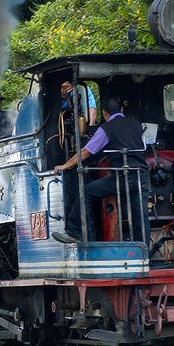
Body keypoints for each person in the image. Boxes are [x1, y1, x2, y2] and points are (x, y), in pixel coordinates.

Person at [52, 96, 150, 245]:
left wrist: (65, 165)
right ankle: (144, 254)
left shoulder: (107, 128)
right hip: (141, 175)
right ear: (122, 109)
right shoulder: (136, 124)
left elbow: (86, 151)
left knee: (86, 192)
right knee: (141, 218)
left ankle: (75, 232)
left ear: (104, 113)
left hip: (123, 178)